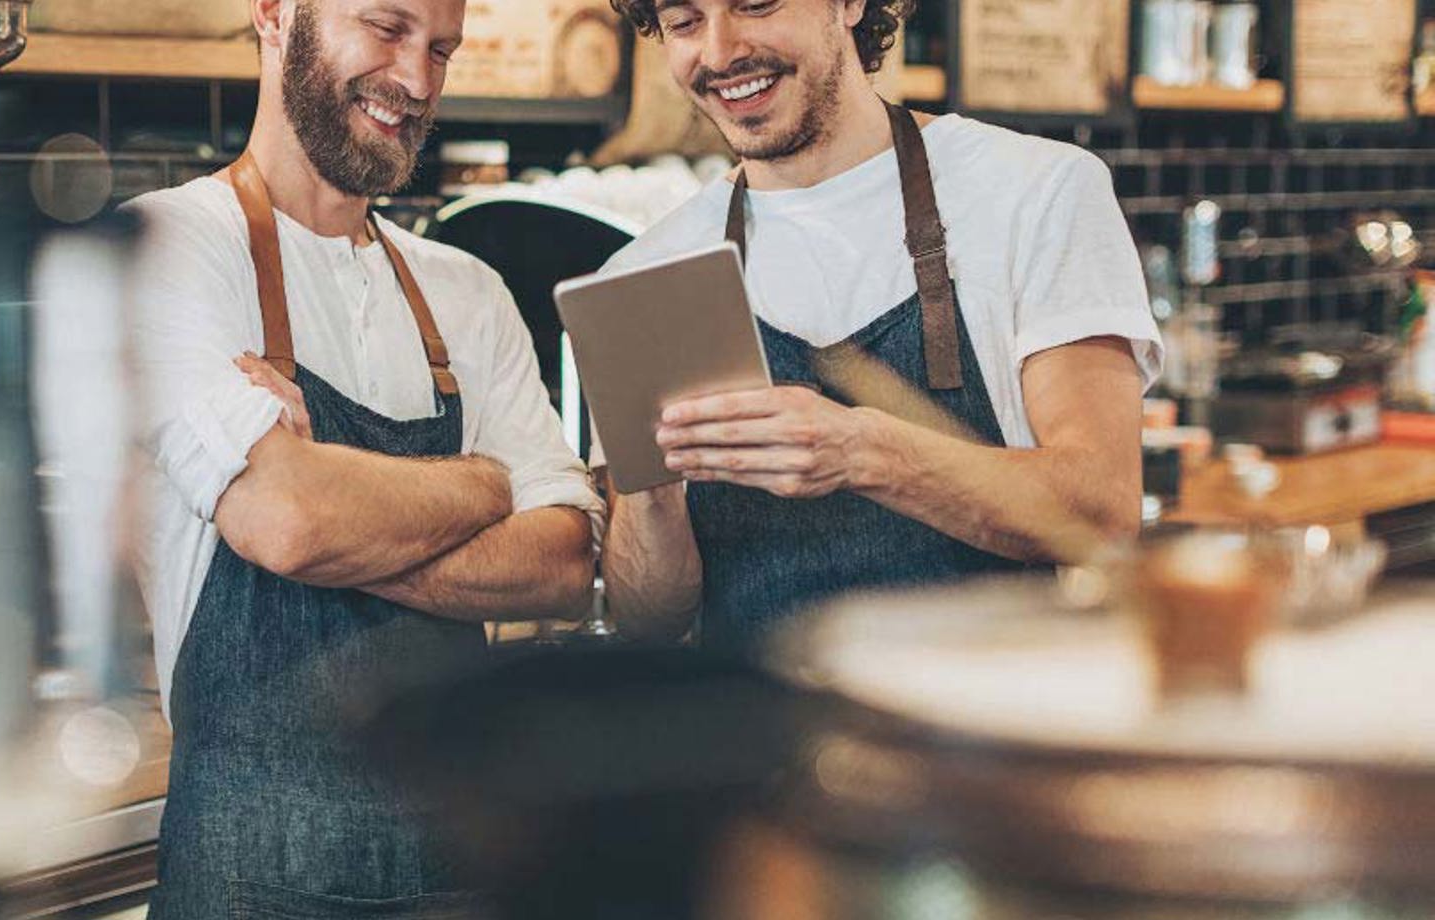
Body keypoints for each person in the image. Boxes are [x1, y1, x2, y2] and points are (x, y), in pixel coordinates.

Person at [122, 0, 602, 915]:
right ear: (274, 15)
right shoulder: (167, 245)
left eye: (441, 50)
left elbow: (565, 562)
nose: (417, 81)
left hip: (458, 880)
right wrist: (485, 481)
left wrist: (344, 509)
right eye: (386, 27)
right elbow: (289, 522)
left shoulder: (469, 292)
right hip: (244, 884)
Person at [598, 0, 1162, 653]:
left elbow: (1103, 512)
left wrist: (860, 451)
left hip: (984, 729)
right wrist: (652, 498)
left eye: (755, 5)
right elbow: (648, 619)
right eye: (684, 22)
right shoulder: (652, 272)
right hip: (755, 738)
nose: (720, 52)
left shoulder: (1037, 193)